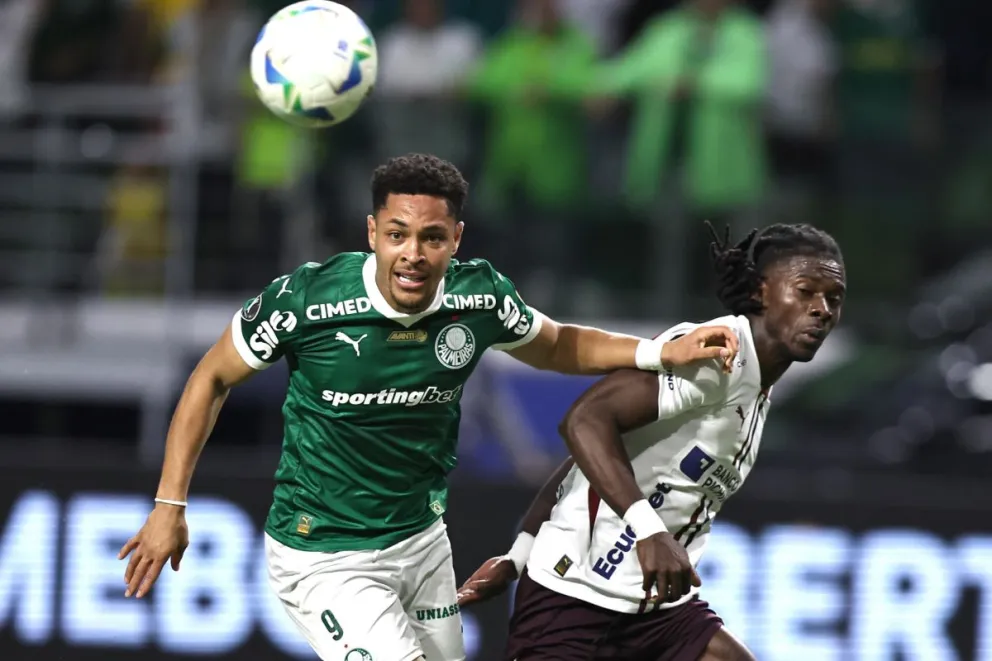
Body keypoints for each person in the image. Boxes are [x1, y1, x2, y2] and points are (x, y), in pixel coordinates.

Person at [117, 153, 739, 661]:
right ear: (372, 233)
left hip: (420, 542)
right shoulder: (306, 300)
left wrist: (658, 351)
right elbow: (209, 378)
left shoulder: (478, 297)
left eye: (431, 238)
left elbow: (554, 344)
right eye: (397, 235)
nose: (412, 253)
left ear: (455, 239)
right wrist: (169, 504)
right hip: (323, 553)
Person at [458, 221, 847, 660]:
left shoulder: (757, 384)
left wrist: (518, 552)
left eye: (834, 298)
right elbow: (586, 421)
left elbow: (598, 455)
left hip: (655, 610)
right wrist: (649, 532)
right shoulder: (717, 356)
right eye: (806, 291)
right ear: (761, 291)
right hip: (575, 596)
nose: (822, 309)